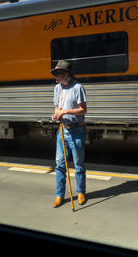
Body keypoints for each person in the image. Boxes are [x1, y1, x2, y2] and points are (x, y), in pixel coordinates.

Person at [51, 60, 87, 208]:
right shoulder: (57, 88)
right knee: (59, 164)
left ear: (66, 74)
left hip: (77, 130)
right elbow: (56, 107)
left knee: (78, 164)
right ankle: (59, 195)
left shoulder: (78, 87)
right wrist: (56, 114)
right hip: (62, 129)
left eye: (58, 74)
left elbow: (83, 110)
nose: (56, 77)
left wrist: (65, 111)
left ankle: (80, 192)